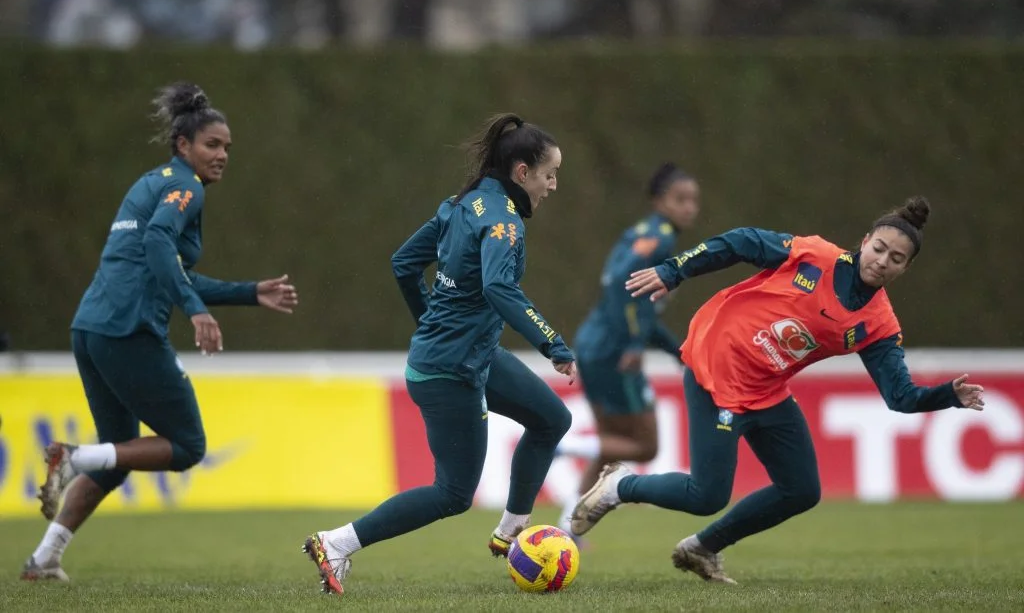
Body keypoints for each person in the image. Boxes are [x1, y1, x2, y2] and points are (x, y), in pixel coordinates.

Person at [570, 197, 985, 584]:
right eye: (879, 248)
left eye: (896, 259)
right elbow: (741, 241)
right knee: (706, 494)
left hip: (766, 389)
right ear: (865, 241)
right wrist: (674, 269)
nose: (882, 261)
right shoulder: (816, 256)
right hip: (717, 364)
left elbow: (900, 397)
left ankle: (702, 548)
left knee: (802, 490)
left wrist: (948, 395)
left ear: (904, 269)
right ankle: (618, 487)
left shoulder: (878, 325)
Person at [21, 82, 299, 582]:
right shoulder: (186, 188)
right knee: (188, 445)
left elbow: (165, 265)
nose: (222, 155)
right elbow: (157, 243)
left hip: (90, 328)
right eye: (212, 145)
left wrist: (248, 292)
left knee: (118, 455)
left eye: (227, 148)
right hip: (129, 331)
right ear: (183, 145)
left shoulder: (149, 184)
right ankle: (73, 457)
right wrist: (196, 312)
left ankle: (44, 559)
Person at [302, 113, 576, 596]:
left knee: (551, 419)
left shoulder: (461, 204)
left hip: (466, 356)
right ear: (521, 173)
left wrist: (430, 321)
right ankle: (336, 542)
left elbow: (404, 263)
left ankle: (512, 526)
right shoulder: (503, 223)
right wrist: (553, 344)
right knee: (452, 494)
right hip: (450, 371)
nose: (553, 186)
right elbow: (499, 288)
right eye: (550, 174)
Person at [555, 163, 700, 541]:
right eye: (680, 199)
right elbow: (625, 287)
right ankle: (563, 444)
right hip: (615, 350)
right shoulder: (660, 238)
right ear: (659, 201)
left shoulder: (638, 233)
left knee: (609, 448)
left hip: (594, 344)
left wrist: (673, 351)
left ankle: (567, 526)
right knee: (646, 445)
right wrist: (641, 344)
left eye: (693, 201)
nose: (689, 208)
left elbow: (619, 287)